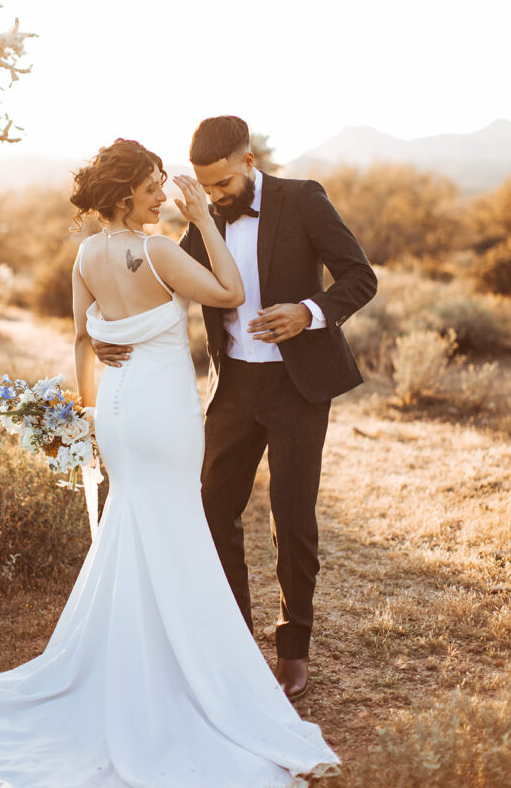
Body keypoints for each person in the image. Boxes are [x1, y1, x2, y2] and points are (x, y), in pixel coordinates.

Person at [0, 139, 339, 788]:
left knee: (138, 524)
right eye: (154, 186)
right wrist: (205, 225)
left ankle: (140, 656)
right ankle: (178, 670)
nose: (163, 194)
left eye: (164, 185)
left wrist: (91, 417)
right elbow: (231, 292)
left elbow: (81, 340)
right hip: (162, 412)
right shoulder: (158, 250)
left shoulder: (85, 257)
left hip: (119, 412)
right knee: (174, 523)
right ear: (126, 193)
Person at [93, 117, 377, 702]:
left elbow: (359, 276)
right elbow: (159, 285)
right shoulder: (203, 220)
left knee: (292, 517)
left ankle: (293, 647)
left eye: (223, 185)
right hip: (234, 389)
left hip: (299, 386)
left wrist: (308, 311)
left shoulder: (303, 199)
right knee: (212, 510)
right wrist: (100, 331)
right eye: (205, 187)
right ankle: (233, 639)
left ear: (249, 161)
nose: (215, 197)